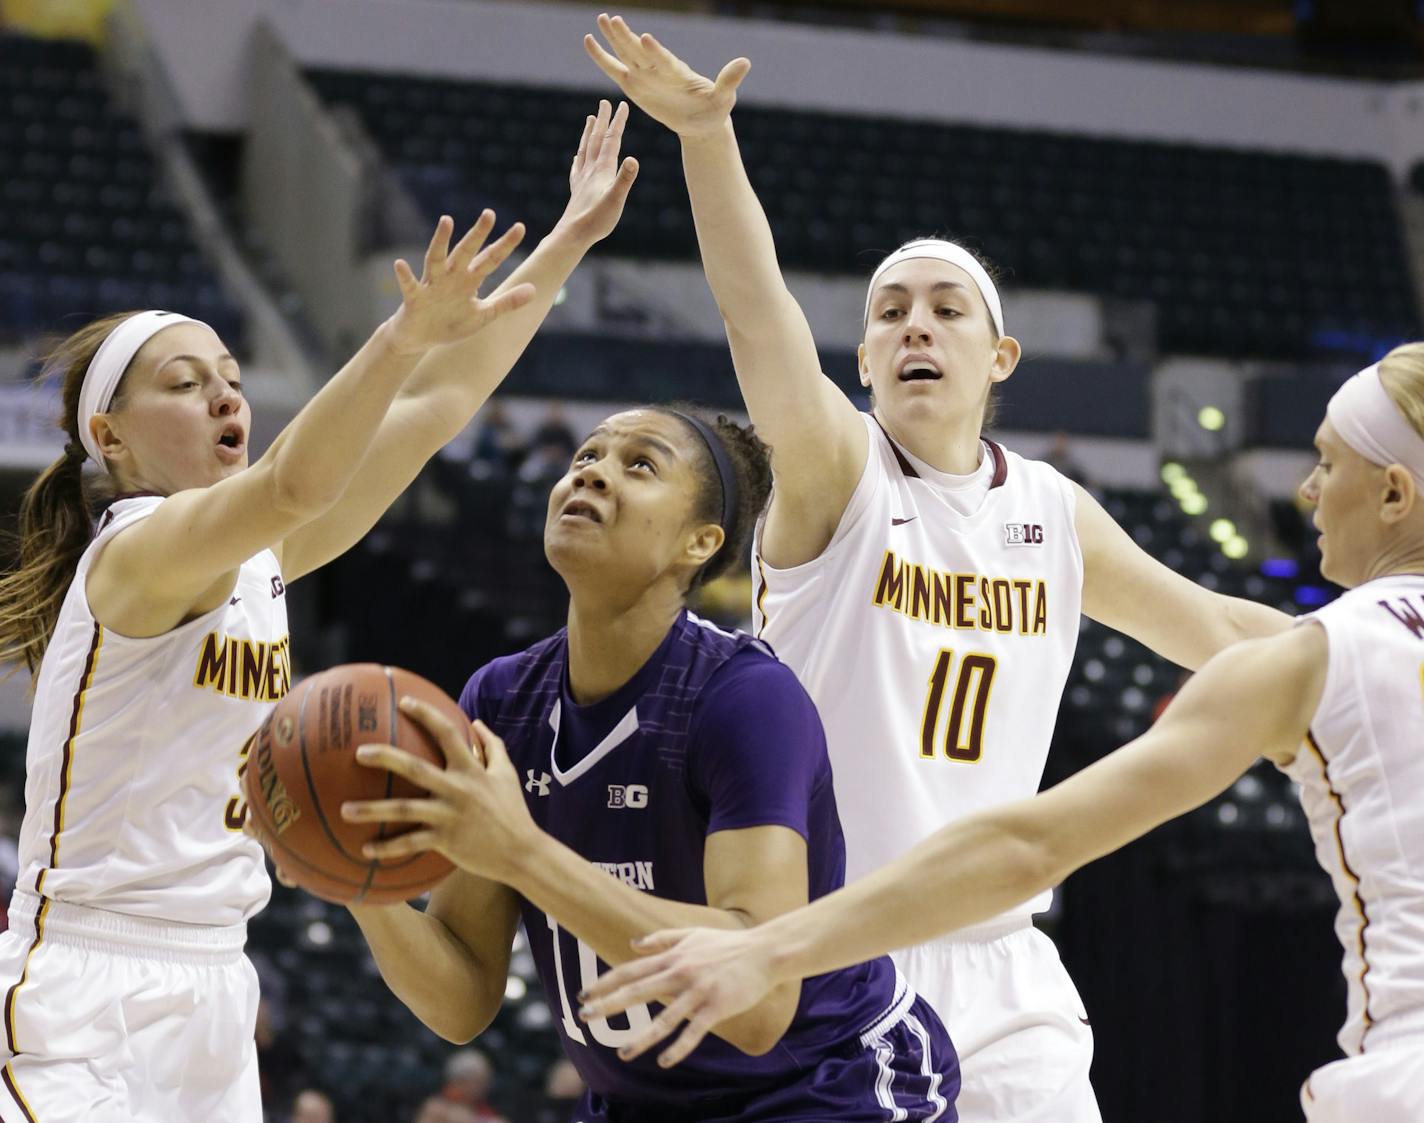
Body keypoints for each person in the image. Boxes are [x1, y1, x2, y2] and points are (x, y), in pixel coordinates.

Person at [583, 15, 1291, 1121]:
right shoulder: (836, 473)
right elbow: (756, 316)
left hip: (1003, 959)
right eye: (888, 313)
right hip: (834, 949)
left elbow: (1213, 629)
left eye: (944, 309)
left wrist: (1368, 649)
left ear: (996, 355)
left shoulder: (1052, 512)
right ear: (863, 361)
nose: (915, 325)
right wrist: (707, 140)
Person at [0, 96, 640, 1123]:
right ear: (110, 438)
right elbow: (297, 482)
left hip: (218, 984)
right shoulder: (136, 553)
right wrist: (395, 335)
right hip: (87, 983)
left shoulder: (258, 557)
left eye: (232, 377)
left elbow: (438, 406)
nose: (225, 397)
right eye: (184, 382)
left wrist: (565, 241)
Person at [577, 348, 1424, 1122]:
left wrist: (764, 950)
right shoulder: (847, 485)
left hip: (962, 945)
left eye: (1326, 462)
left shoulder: (1316, 657)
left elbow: (1027, 847)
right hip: (866, 942)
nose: (1306, 489)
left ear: (1395, 492)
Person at [344, 405, 958, 1122]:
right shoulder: (502, 701)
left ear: (700, 541)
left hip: (821, 1087)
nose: (593, 473)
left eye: (640, 465)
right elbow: (464, 996)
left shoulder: (743, 699)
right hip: (642, 1104)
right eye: (586, 456)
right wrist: (356, 878)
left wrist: (522, 852)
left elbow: (757, 1004)